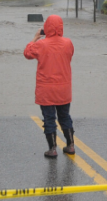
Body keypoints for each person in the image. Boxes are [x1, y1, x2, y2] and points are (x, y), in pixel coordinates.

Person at [24, 15, 75, 158]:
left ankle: (52, 149)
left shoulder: (41, 45)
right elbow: (69, 56)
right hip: (63, 89)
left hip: (46, 90)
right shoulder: (68, 43)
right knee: (64, 116)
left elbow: (27, 53)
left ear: (46, 28)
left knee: (49, 119)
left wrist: (35, 38)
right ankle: (70, 145)